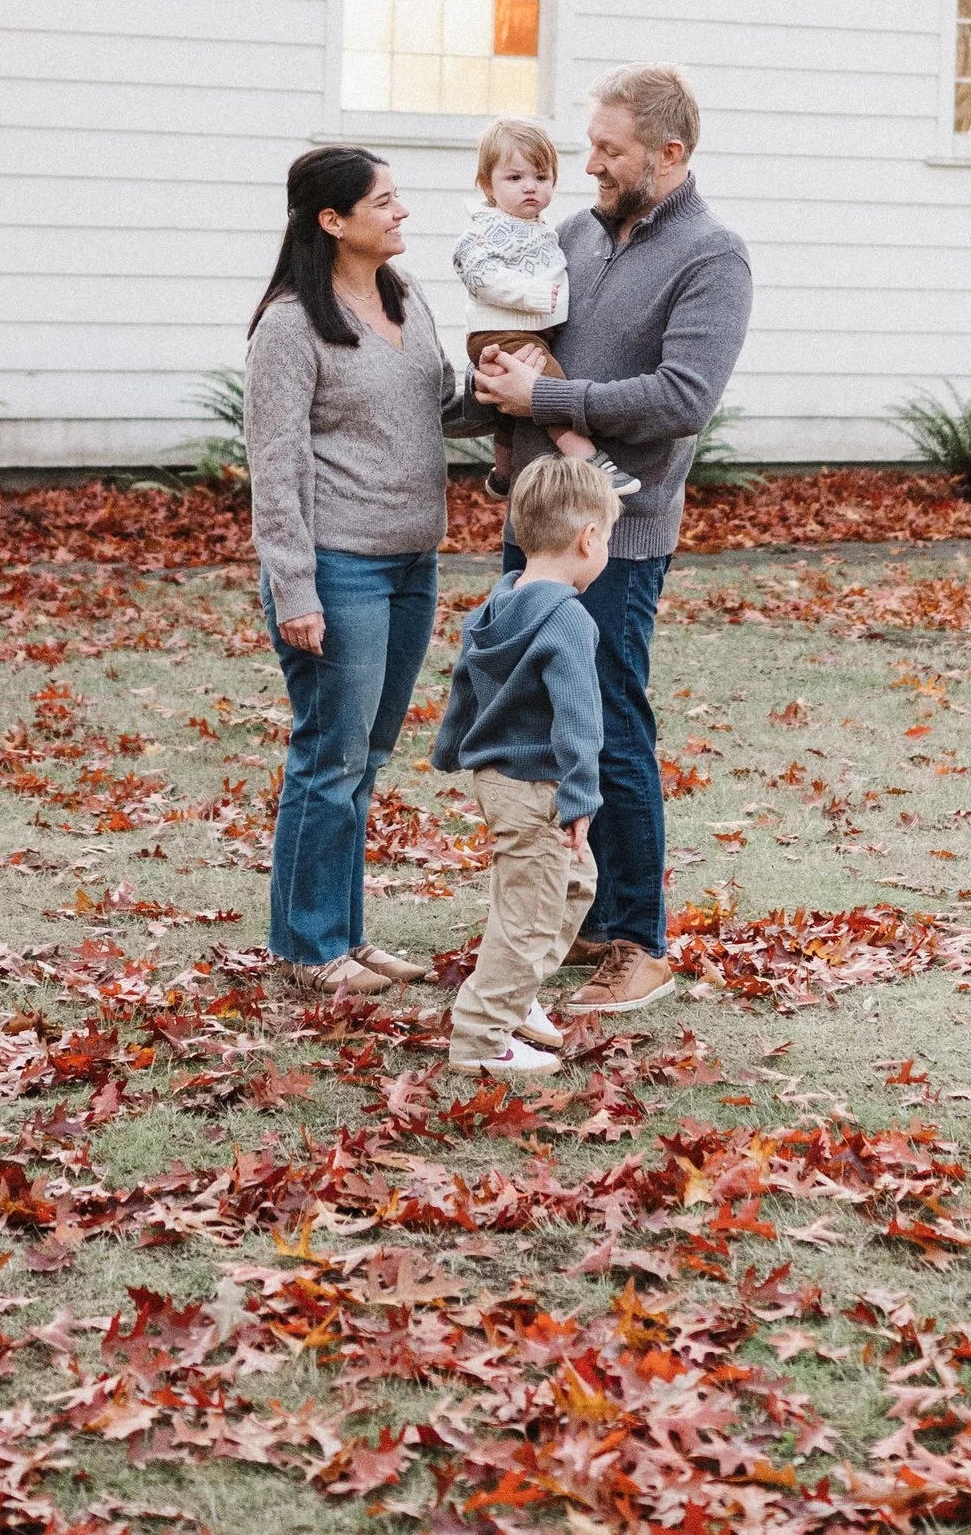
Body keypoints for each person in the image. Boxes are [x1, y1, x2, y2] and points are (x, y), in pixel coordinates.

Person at [475, 64, 752, 1016]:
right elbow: (532, 346)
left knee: (613, 723)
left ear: (669, 156)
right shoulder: (573, 238)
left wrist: (545, 396)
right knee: (548, 723)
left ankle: (640, 939)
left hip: (617, 539)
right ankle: (578, 917)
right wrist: (500, 388)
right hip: (534, 520)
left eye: (609, 150)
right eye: (589, 143)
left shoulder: (713, 257)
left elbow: (683, 398)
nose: (585, 163)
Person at [245, 145, 480, 998]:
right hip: (338, 567)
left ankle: (343, 932)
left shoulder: (404, 298)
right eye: (385, 200)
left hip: (413, 560)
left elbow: (440, 407)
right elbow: (276, 468)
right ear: (332, 220)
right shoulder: (288, 326)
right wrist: (295, 588)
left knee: (366, 756)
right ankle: (309, 949)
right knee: (329, 756)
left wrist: (509, 384)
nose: (403, 212)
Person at [431, 457, 620, 1079]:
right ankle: (482, 1037)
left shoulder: (499, 600)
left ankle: (518, 995)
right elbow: (578, 719)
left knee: (572, 885)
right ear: (588, 538)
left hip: (501, 782)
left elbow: (465, 683)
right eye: (609, 540)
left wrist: (451, 747)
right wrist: (582, 797)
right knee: (530, 912)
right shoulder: (567, 617)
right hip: (541, 787)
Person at [453, 117, 571, 498]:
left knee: (512, 410)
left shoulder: (541, 226)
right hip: (499, 329)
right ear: (488, 185)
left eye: (541, 177)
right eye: (515, 178)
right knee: (549, 384)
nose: (530, 187)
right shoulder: (488, 229)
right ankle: (584, 455)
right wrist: (529, 295)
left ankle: (503, 474)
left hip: (530, 327)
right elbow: (478, 273)